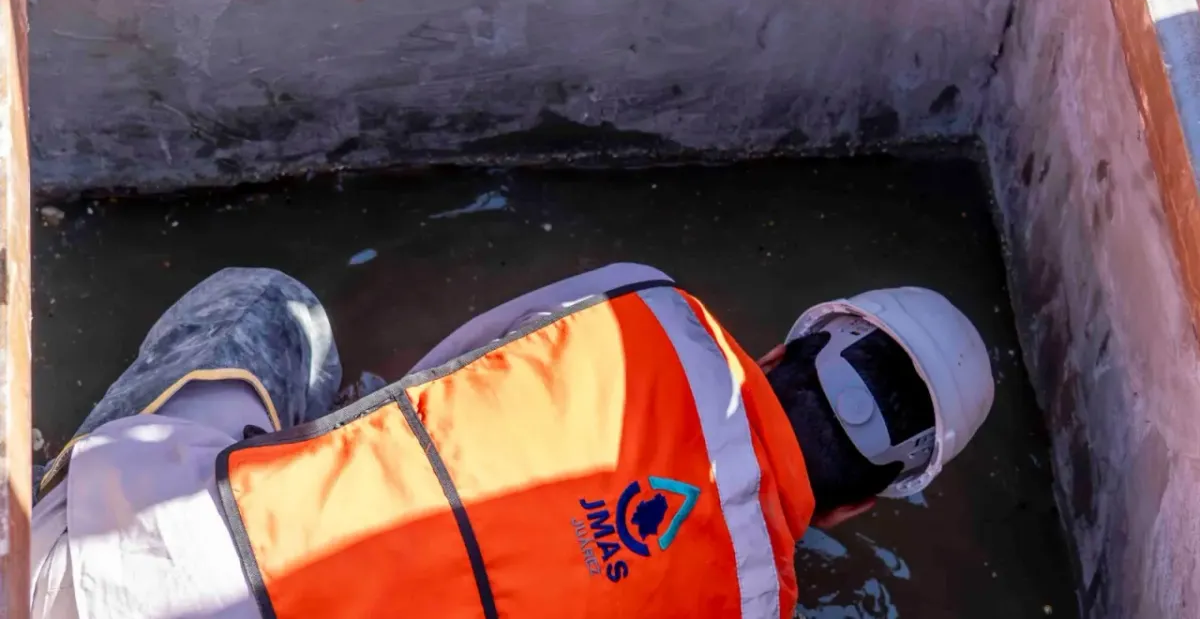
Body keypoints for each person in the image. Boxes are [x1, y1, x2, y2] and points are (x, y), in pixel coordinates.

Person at [29, 262, 993, 619]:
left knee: (275, 310)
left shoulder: (645, 307)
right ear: (870, 501)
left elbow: (430, 382)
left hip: (102, 570)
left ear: (789, 341)